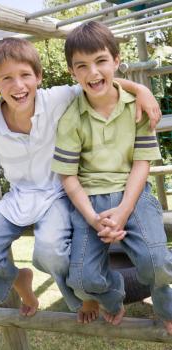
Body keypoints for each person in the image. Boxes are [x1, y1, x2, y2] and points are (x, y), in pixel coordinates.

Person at [0, 36, 161, 318]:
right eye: (7, 79)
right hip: (18, 198)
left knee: (50, 254)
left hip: (58, 194)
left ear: (39, 77)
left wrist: (141, 89)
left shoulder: (56, 99)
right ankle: (20, 281)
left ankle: (83, 300)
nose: (18, 86)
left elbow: (97, 84)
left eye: (25, 76)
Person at [51, 20, 172, 334]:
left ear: (117, 61)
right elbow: (69, 178)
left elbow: (141, 165)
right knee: (82, 278)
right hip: (89, 202)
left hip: (132, 194)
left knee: (156, 262)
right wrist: (93, 219)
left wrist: (123, 212)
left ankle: (165, 303)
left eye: (101, 61)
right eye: (82, 66)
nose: (93, 72)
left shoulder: (137, 108)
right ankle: (112, 295)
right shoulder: (71, 118)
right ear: (72, 72)